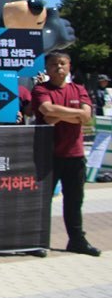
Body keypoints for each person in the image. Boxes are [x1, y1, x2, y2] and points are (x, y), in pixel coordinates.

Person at [31, 51, 100, 256]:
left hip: (75, 155)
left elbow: (86, 117)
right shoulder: (41, 89)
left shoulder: (79, 89)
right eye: (54, 64)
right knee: (43, 202)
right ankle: (38, 241)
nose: (58, 68)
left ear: (69, 66)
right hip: (48, 155)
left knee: (74, 201)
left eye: (62, 64)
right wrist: (75, 114)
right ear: (47, 68)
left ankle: (77, 240)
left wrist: (59, 114)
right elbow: (46, 110)